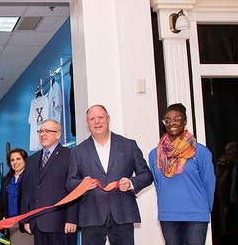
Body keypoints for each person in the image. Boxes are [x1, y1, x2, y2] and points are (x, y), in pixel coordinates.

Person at [66, 104, 153, 245]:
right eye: (92, 119)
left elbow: (147, 175)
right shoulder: (77, 151)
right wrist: (82, 185)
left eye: (100, 117)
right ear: (87, 123)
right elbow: (70, 182)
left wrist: (131, 183)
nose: (97, 122)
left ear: (108, 119)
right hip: (91, 216)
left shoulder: (129, 145)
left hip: (123, 213)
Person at [148, 103, 215, 245]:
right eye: (168, 120)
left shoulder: (200, 152)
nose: (172, 123)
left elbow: (209, 182)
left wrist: (205, 209)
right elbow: (158, 184)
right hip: (168, 215)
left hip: (196, 215)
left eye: (177, 119)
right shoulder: (155, 155)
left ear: (185, 121)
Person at [22, 119, 78, 245]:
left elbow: (76, 190)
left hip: (62, 224)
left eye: (47, 131)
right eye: (40, 131)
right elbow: (26, 191)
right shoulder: (31, 160)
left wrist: (72, 218)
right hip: (37, 224)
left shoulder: (71, 155)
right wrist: (26, 219)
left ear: (58, 134)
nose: (42, 134)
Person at [0, 148, 34, 245]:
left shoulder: (31, 178)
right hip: (11, 224)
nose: (15, 162)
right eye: (12, 160)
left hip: (26, 223)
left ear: (25, 160)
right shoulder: (6, 180)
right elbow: (1, 202)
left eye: (18, 159)